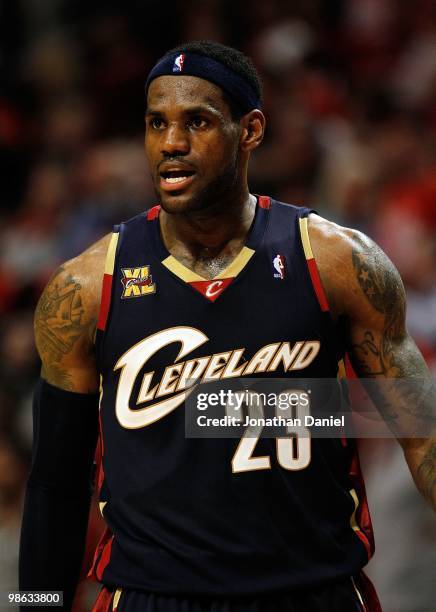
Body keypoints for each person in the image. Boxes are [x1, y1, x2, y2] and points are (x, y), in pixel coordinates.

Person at [19, 41, 435, 612]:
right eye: (156, 123)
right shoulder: (87, 286)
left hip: (311, 589)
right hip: (152, 597)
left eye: (197, 122)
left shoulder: (338, 263)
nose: (171, 144)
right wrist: (34, 605)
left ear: (251, 130)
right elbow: (54, 485)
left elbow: (422, 431)